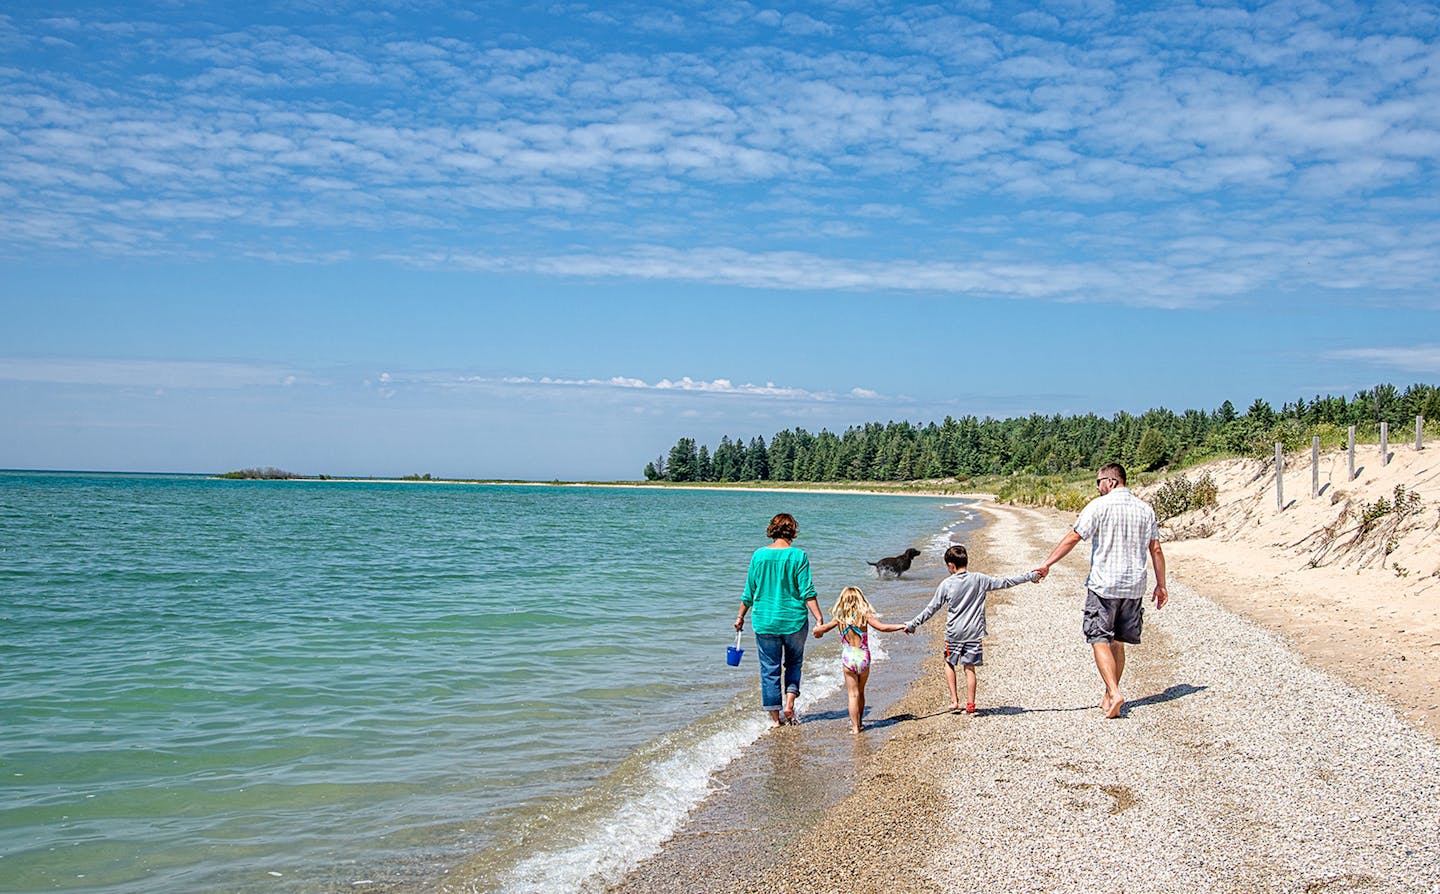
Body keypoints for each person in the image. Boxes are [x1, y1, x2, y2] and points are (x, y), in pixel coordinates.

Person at [1036, 461, 1168, 719]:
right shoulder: (1145, 510)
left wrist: (1047, 563)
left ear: (1111, 481)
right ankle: (1110, 696)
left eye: (1099, 482)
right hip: (1133, 586)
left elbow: (1074, 536)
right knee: (1117, 642)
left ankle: (1114, 691)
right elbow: (1156, 549)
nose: (1097, 487)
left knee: (1098, 637)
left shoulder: (1099, 506)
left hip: (1104, 584)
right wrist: (1161, 584)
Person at [904, 544, 1039, 714]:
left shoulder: (946, 584)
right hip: (974, 633)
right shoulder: (979, 579)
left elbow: (931, 609)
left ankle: (954, 700)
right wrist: (1030, 576)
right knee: (969, 668)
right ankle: (971, 704)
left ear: (951, 565)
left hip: (953, 634)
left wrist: (913, 624)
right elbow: (1006, 582)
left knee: (949, 663)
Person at [735, 512, 823, 728]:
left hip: (765, 622)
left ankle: (775, 720)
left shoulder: (758, 556)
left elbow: (749, 592)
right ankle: (789, 703)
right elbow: (807, 591)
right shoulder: (799, 556)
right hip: (794, 621)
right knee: (794, 663)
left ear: (772, 530)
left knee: (769, 668)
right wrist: (819, 619)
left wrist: (740, 617)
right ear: (793, 531)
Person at [813, 586, 906, 734]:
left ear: (842, 601)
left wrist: (817, 630)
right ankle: (860, 722)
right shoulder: (864, 615)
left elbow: (822, 629)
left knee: (852, 694)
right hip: (863, 656)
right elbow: (882, 628)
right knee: (861, 692)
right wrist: (901, 626)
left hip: (848, 658)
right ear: (860, 599)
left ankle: (855, 728)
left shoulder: (839, 618)